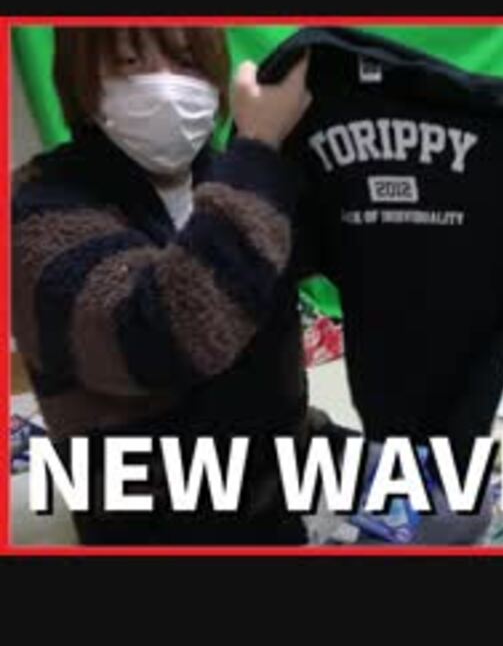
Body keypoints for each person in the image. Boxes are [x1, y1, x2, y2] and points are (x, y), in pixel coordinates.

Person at [11, 27, 322, 545]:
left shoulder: (229, 178)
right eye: (129, 62)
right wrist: (260, 150)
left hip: (272, 498)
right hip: (149, 525)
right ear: (81, 81)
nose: (164, 85)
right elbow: (160, 339)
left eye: (186, 61)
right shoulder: (34, 211)